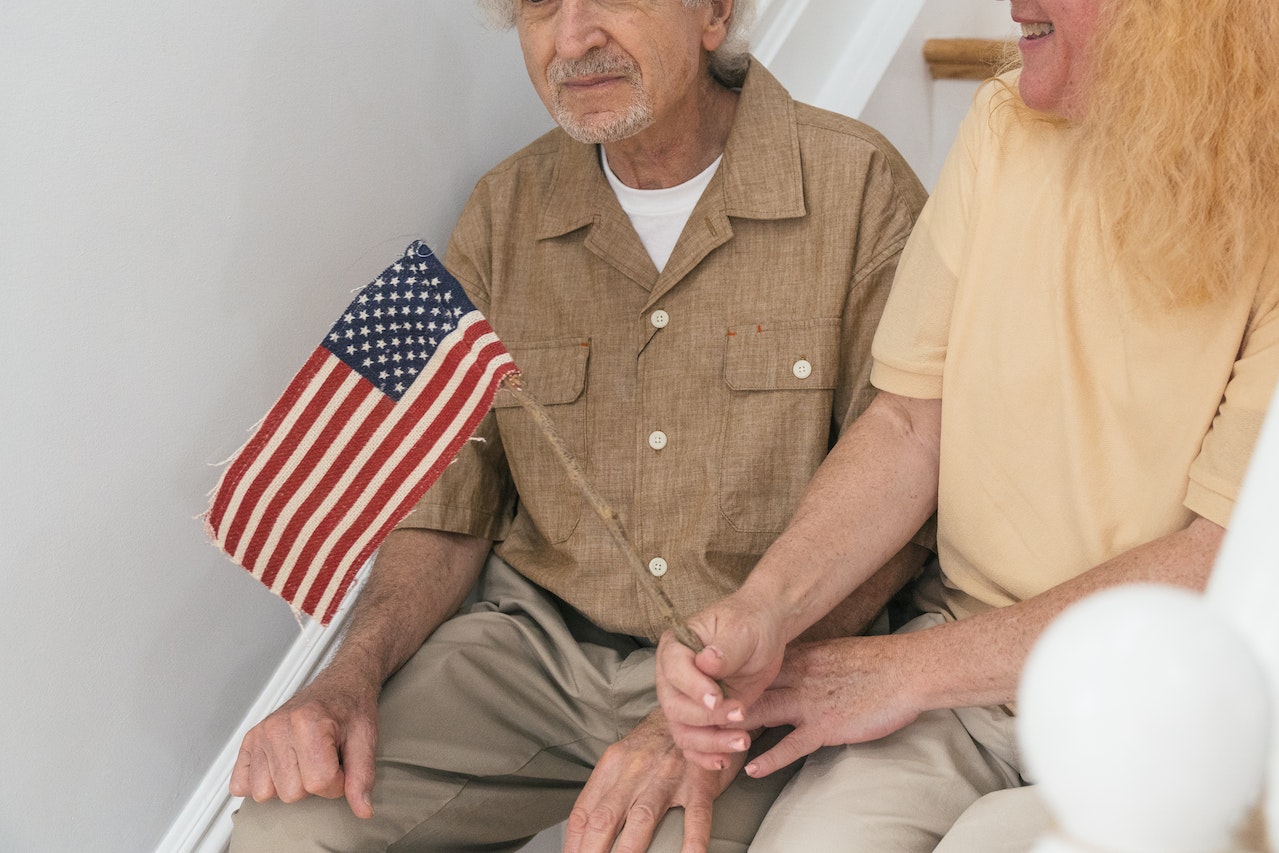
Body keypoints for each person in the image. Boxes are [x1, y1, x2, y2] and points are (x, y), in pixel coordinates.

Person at [228, 1, 930, 850]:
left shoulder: (858, 186)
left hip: (766, 665)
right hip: (532, 647)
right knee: (288, 831)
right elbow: (446, 512)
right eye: (540, 7)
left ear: (712, 13)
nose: (574, 38)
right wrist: (349, 675)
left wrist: (716, 696)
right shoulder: (502, 213)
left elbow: (901, 517)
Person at [656, 0, 1279, 850]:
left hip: (1165, 700)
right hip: (964, 669)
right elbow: (910, 423)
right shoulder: (1002, 120)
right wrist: (766, 605)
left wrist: (904, 671)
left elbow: (1220, 557)